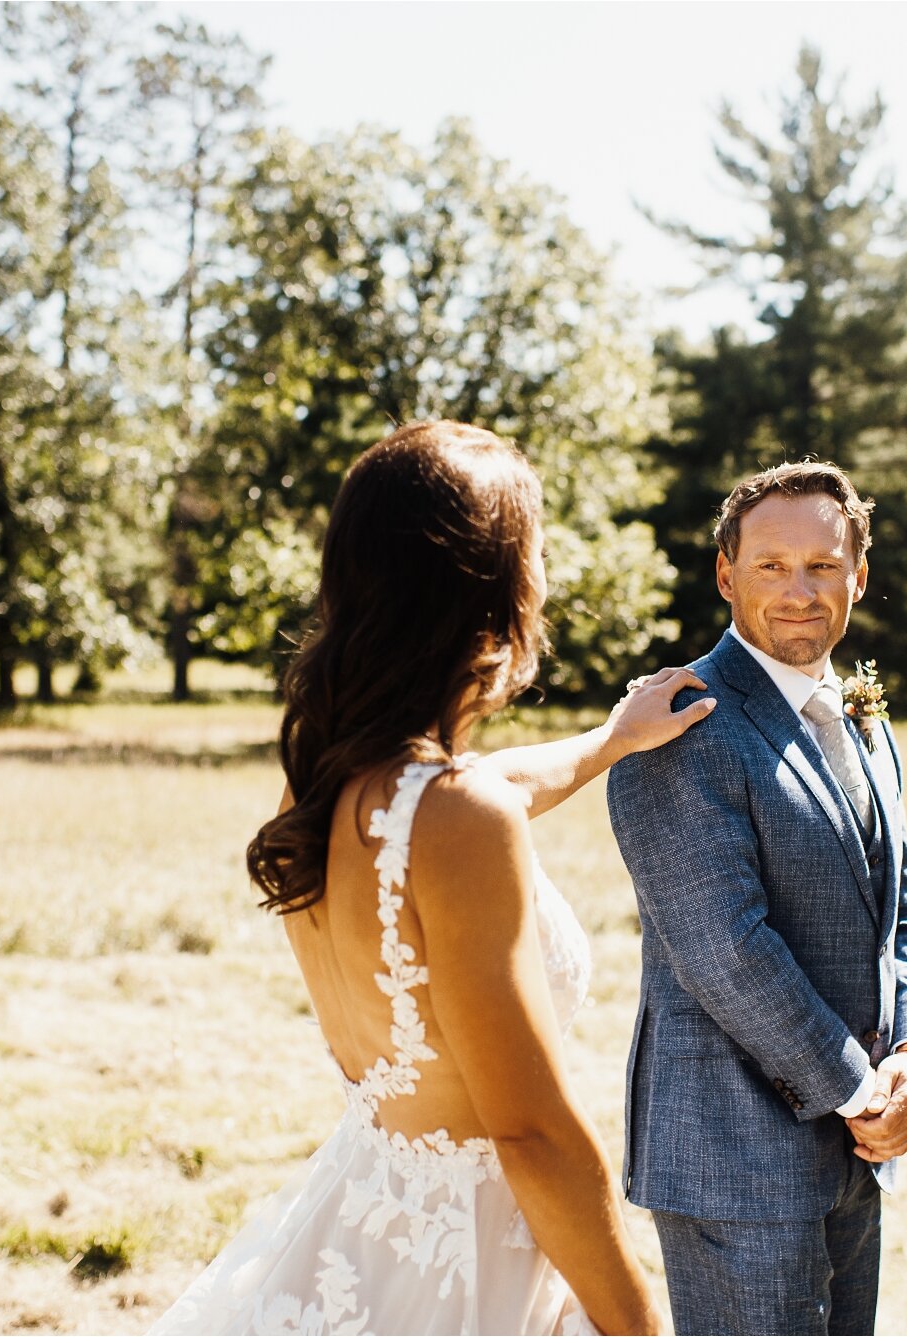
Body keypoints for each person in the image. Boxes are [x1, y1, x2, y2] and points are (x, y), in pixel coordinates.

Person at [152, 421, 705, 1336]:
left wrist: (614, 739)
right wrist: (641, 1327)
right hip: (469, 1269)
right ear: (495, 588)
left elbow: (498, 783)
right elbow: (532, 1132)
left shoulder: (328, 780)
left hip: (362, 1221)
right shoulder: (455, 817)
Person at [605, 462, 907, 1336]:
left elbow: (900, 904)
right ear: (727, 574)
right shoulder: (681, 725)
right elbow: (726, 947)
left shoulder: (863, 714)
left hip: (858, 1146)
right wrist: (863, 1090)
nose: (799, 591)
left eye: (823, 566)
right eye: (770, 566)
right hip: (734, 1163)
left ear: (858, 576)